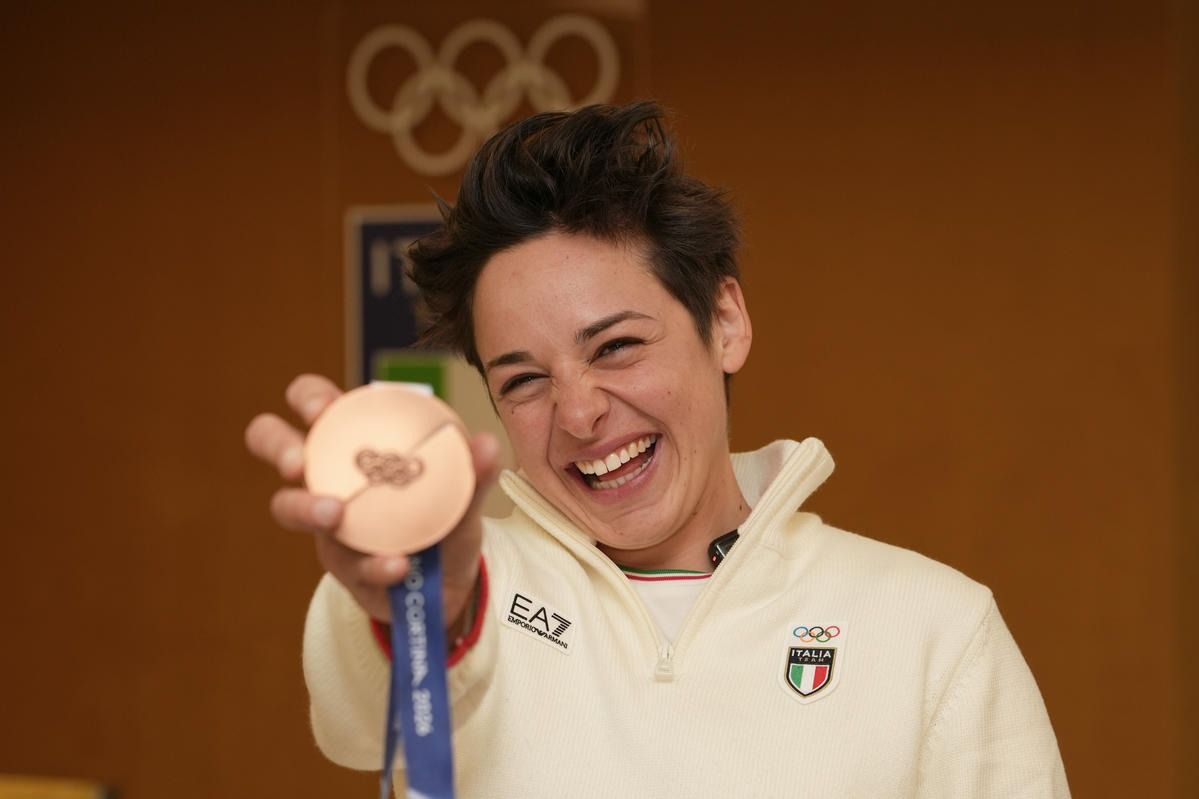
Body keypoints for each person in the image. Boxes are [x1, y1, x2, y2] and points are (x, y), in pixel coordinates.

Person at [245, 101, 1070, 798]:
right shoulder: (468, 588)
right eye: (524, 380)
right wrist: (416, 608)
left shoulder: (929, 625)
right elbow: (355, 716)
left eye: (615, 347)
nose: (578, 412)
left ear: (725, 322)